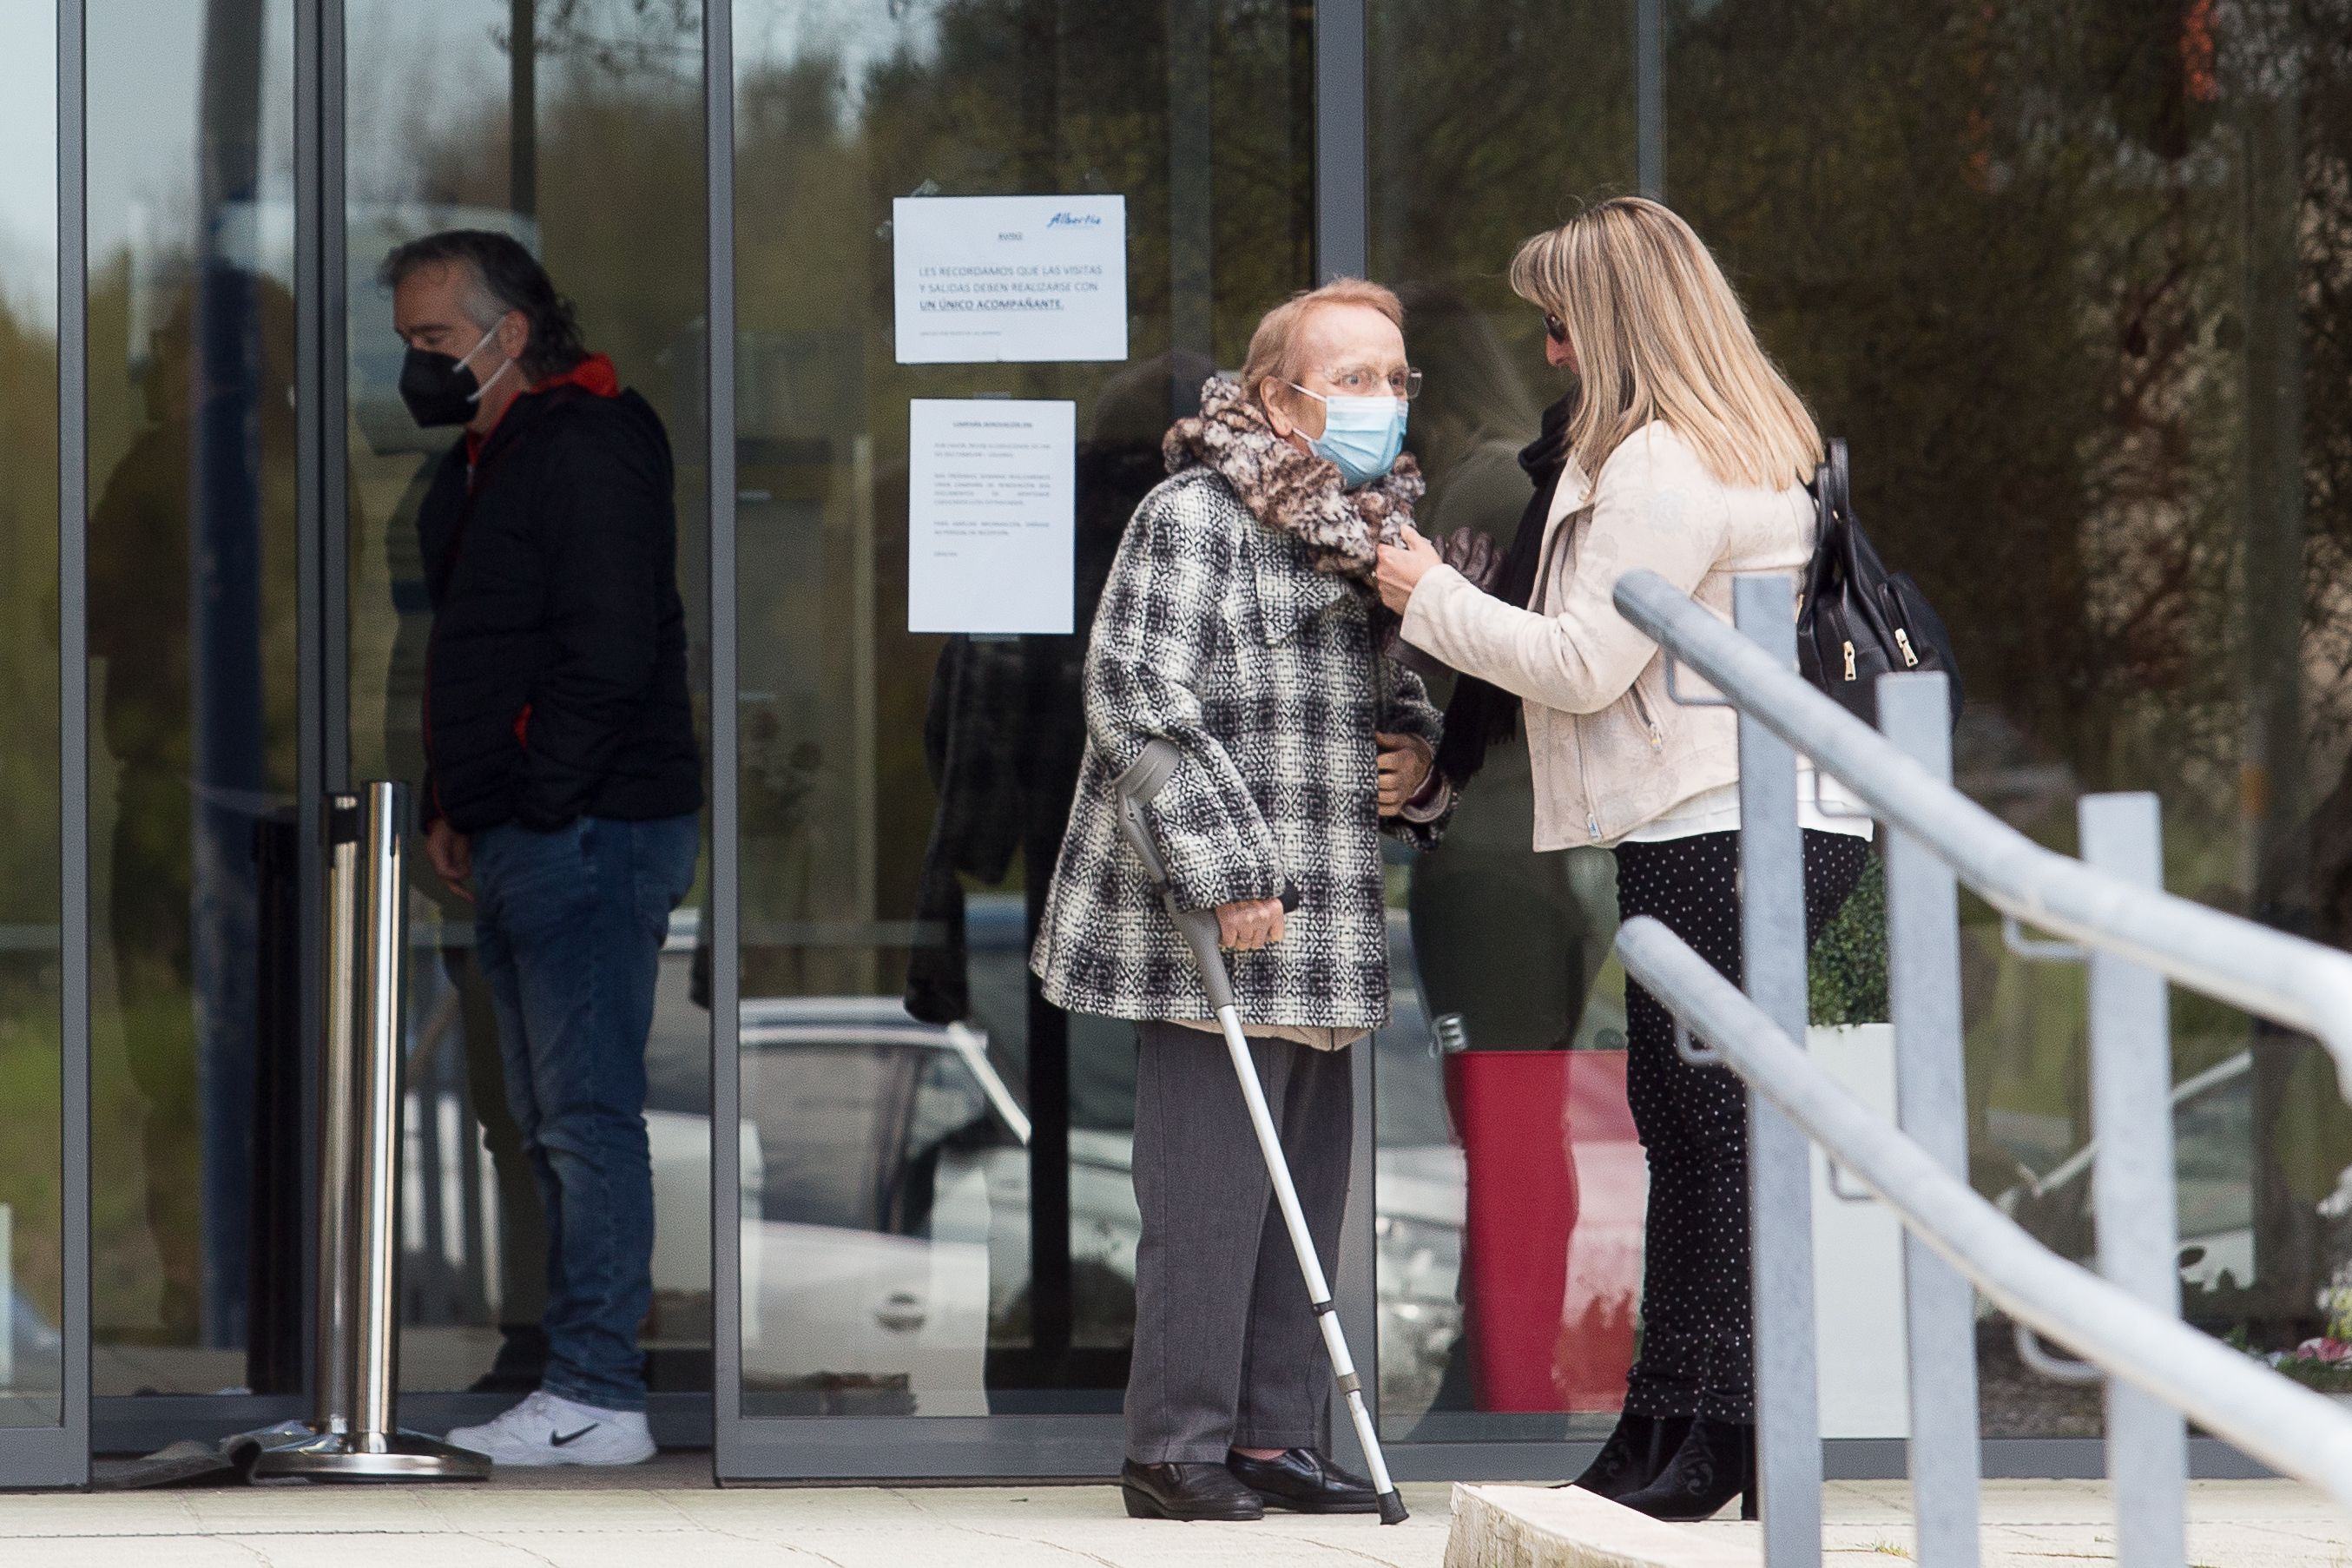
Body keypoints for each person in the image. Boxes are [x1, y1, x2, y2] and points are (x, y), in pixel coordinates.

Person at [1374, 197, 1871, 1521]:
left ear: (1612, 325)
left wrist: (1420, 586)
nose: (1544, 354)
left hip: (1721, 818)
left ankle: (1693, 1439)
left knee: (1700, 1129)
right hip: (1758, 815)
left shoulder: (1660, 462)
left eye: (1557, 325)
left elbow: (1585, 665)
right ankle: (1689, 1424)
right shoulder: (1743, 440)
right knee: (1703, 1125)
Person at [1033, 278, 1452, 1522]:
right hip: (1220, 912)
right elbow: (1135, 700)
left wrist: (1416, 761)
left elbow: (1397, 699)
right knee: (1209, 1197)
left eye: (1396, 378)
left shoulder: (1364, 530)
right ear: (1275, 396)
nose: (1382, 401)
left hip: (1329, 914)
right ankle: (1175, 1447)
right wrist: (1225, 870)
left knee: (1302, 1192)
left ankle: (1274, 1436)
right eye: (1353, 378)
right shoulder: (1194, 516)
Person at [383, 229, 702, 1466]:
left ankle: (597, 1391)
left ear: (506, 333)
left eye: (429, 340)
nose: (414, 364)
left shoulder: (586, 442)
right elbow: (486, 646)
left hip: (586, 830)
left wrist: (533, 793)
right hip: (529, 828)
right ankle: (569, 1374)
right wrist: (469, 802)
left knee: (582, 1116)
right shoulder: (492, 453)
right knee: (541, 1116)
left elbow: (606, 649)